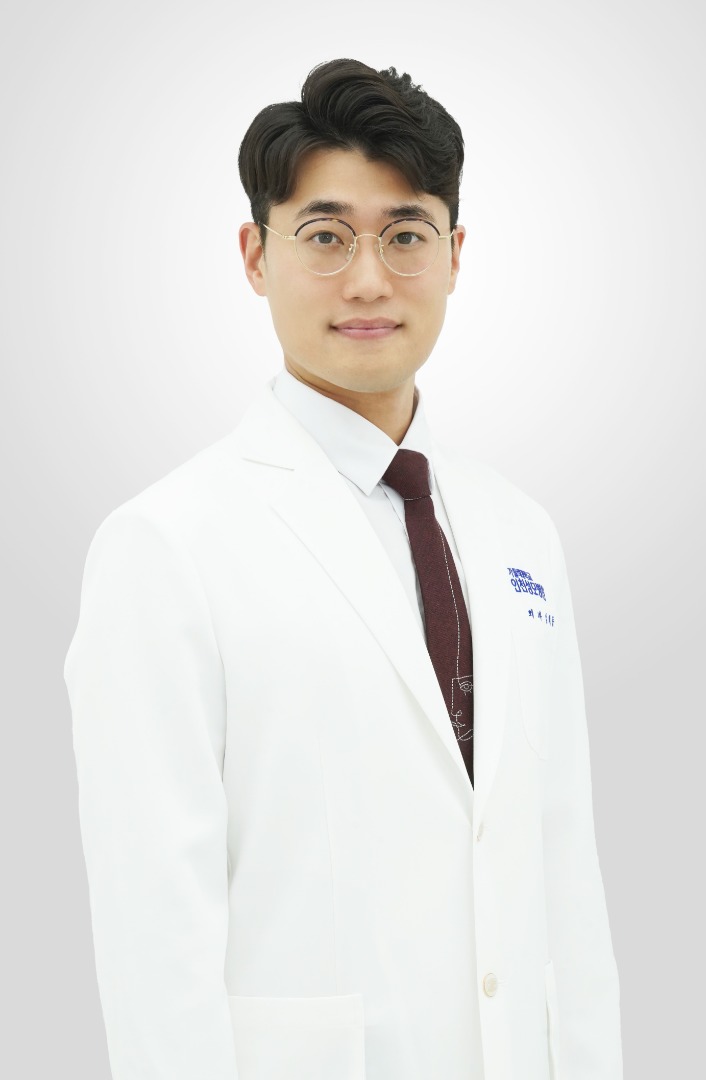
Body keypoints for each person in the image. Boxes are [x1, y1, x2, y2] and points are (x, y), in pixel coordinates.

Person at [65, 58, 623, 1080]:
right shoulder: (166, 544)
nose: (368, 280)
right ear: (255, 255)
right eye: (324, 236)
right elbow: (153, 933)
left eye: (405, 235)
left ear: (454, 256)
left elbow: (563, 870)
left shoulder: (520, 534)